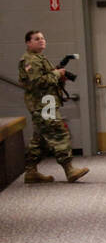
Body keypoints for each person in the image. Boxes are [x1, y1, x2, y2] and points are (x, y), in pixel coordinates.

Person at [18, 30, 89, 183]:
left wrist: (58, 77)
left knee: (40, 139)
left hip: (46, 103)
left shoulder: (38, 58)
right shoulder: (30, 61)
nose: (41, 41)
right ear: (28, 43)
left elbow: (45, 80)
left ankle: (31, 172)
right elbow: (37, 83)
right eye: (37, 39)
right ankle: (69, 170)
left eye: (43, 38)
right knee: (59, 133)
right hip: (43, 105)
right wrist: (56, 74)